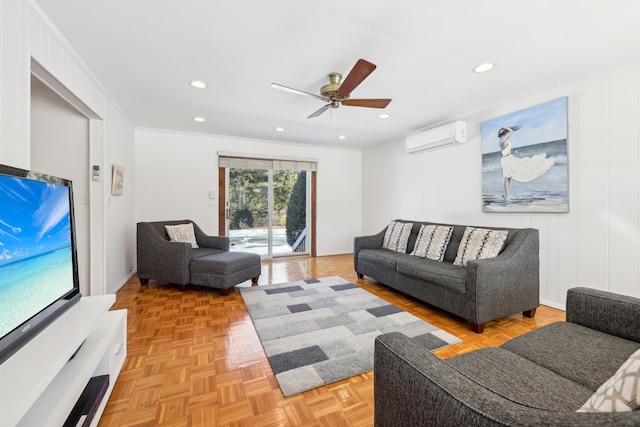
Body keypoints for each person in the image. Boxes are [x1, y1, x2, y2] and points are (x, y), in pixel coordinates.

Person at [498, 126, 555, 202]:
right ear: (503, 134)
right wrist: (505, 127)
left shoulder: (503, 141)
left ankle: (506, 195)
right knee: (506, 177)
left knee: (509, 177)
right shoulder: (502, 141)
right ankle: (506, 196)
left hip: (509, 158)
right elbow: (511, 131)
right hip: (506, 160)